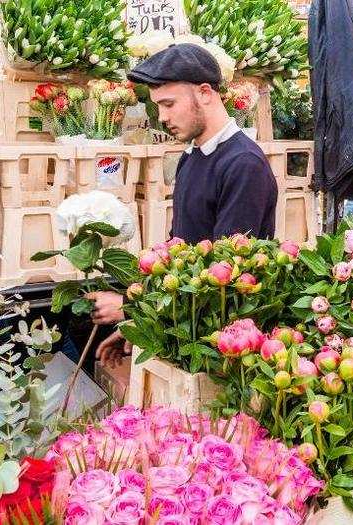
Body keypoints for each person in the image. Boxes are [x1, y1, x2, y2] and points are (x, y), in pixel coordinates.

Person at [92, 43, 278, 364]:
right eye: (158, 107)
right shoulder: (191, 157)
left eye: (168, 104)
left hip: (220, 344)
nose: (162, 117)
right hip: (188, 327)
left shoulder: (243, 164)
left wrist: (131, 304)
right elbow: (180, 252)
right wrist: (138, 321)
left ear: (205, 92)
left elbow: (223, 275)